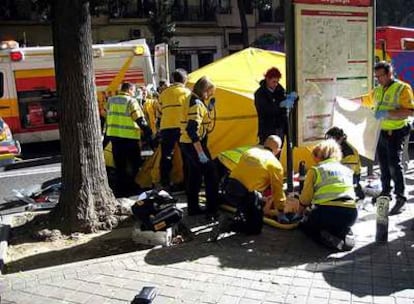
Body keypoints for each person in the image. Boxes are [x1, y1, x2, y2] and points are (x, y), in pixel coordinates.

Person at [288, 139, 357, 251]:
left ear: (318, 156)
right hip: (351, 214)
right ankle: (344, 231)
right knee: (335, 222)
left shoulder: (316, 170)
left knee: (307, 226)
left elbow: (305, 199)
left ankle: (327, 239)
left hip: (327, 213)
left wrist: (299, 214)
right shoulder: (346, 170)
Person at [365, 61, 414, 215]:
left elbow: (410, 111)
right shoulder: (378, 90)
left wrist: (388, 114)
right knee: (384, 164)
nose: (378, 79)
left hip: (396, 131)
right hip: (382, 131)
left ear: (389, 74)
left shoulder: (402, 89)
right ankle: (386, 192)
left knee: (394, 164)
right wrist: (344, 101)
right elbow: (366, 99)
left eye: (380, 76)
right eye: (376, 77)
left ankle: (401, 198)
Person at [223, 135, 287, 235]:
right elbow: (278, 190)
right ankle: (229, 225)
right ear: (278, 150)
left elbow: (246, 173)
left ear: (264, 144)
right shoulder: (275, 164)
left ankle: (239, 217)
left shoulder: (250, 151)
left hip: (229, 186)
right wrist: (281, 211)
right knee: (255, 228)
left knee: (252, 200)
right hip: (243, 193)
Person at [180, 76, 218, 217]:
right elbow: (192, 129)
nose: (211, 95)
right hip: (194, 144)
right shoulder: (196, 103)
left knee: (194, 176)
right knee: (211, 175)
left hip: (186, 143)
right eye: (210, 92)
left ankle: (193, 208)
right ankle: (212, 210)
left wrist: (208, 108)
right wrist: (200, 152)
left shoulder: (193, 100)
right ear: (205, 90)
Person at [105, 82, 153, 197]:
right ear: (130, 90)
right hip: (130, 138)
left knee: (119, 165)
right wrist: (148, 131)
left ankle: (120, 190)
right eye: (134, 90)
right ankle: (133, 188)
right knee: (134, 165)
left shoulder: (111, 100)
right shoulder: (131, 101)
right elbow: (139, 118)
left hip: (115, 138)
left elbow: (109, 116)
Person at [159, 69, 191, 190]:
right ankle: (187, 182)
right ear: (185, 79)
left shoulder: (164, 93)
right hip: (182, 128)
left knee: (166, 156)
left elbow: (159, 109)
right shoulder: (187, 93)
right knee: (186, 155)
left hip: (166, 127)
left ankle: (165, 182)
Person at [325, 126, 365, 200]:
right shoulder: (335, 147)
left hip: (351, 179)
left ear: (340, 139)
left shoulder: (349, 153)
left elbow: (347, 174)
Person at [254, 67, 287, 145]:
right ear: (267, 79)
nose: (276, 84)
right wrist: (281, 105)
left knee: (277, 152)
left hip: (279, 129)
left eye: (277, 81)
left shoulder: (280, 90)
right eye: (274, 81)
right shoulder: (260, 93)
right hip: (267, 130)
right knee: (267, 153)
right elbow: (266, 111)